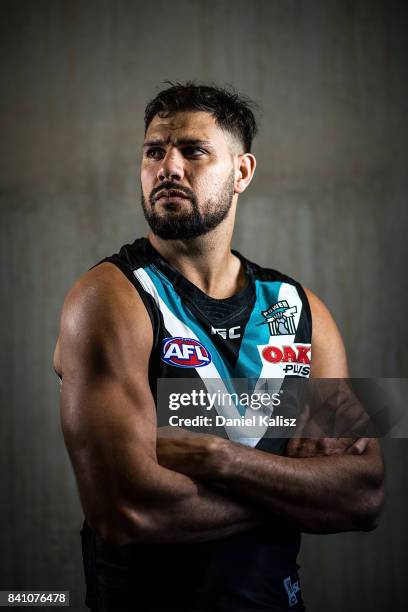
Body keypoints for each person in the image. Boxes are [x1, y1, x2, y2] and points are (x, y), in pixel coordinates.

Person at [53, 82, 384, 612]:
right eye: (154, 151)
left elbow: (364, 496)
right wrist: (299, 486)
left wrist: (219, 458)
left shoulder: (303, 312)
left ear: (242, 172)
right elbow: (125, 508)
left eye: (193, 150)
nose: (168, 167)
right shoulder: (107, 299)